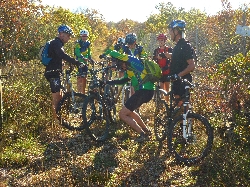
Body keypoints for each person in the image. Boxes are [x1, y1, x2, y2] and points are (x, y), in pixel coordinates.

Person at [105, 49, 154, 143]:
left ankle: (142, 135)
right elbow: (122, 81)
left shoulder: (130, 60)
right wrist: (108, 82)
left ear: (120, 61)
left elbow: (116, 54)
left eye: (116, 62)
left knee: (122, 114)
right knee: (130, 111)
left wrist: (107, 52)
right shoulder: (129, 69)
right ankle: (146, 130)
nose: (117, 66)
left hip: (144, 91)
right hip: (145, 92)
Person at [44, 24, 83, 121]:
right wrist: (76, 62)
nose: (69, 38)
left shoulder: (58, 44)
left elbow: (59, 58)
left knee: (60, 96)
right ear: (61, 34)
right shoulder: (55, 43)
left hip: (56, 73)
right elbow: (62, 55)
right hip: (53, 73)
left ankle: (60, 119)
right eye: (68, 35)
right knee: (56, 99)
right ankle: (56, 122)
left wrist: (70, 64)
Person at [166, 20, 195, 106]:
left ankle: (188, 119)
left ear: (176, 31)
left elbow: (192, 65)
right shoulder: (178, 46)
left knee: (184, 108)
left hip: (183, 82)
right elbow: (180, 58)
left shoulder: (185, 46)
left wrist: (178, 75)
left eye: (171, 31)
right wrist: (167, 56)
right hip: (176, 82)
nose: (169, 33)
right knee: (177, 110)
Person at [152, 33, 173, 102]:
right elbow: (153, 60)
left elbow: (171, 61)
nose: (160, 42)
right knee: (161, 89)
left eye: (162, 40)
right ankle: (161, 104)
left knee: (167, 89)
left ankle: (167, 104)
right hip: (159, 72)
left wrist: (166, 67)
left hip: (167, 72)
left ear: (165, 41)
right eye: (159, 40)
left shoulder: (169, 50)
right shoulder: (156, 51)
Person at [74, 29, 92, 94]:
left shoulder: (88, 43)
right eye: (83, 36)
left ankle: (83, 92)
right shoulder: (78, 43)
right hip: (79, 62)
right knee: (79, 77)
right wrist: (82, 57)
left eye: (85, 36)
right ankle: (79, 93)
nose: (84, 37)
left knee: (84, 77)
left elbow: (89, 51)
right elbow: (77, 52)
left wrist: (90, 58)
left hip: (86, 62)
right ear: (81, 36)